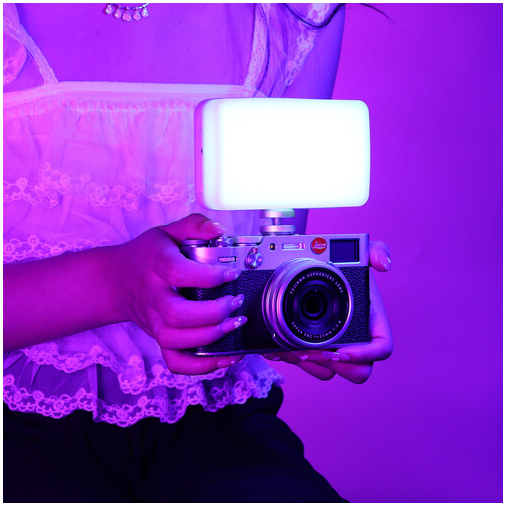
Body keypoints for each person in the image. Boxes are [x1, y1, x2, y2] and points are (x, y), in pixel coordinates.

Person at [3, 2, 393, 503]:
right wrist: (113, 284)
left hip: (217, 419)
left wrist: (307, 304)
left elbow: (273, 249)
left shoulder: (295, 13)